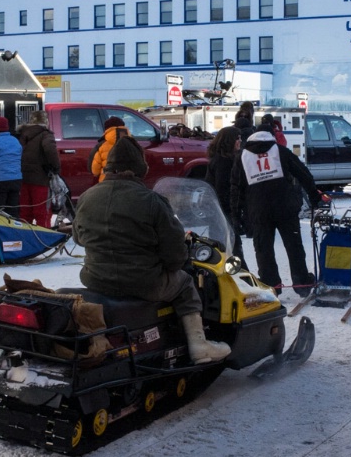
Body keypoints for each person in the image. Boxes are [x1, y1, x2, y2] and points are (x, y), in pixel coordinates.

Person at [73, 136, 231, 365]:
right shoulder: (152, 201)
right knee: (186, 283)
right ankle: (199, 345)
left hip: (96, 279)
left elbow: (78, 238)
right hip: (143, 283)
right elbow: (176, 254)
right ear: (140, 168)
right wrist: (173, 265)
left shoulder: (87, 197)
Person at [230, 130, 321, 297]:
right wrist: (314, 196)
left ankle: (272, 285)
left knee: (263, 249)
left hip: (258, 211)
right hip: (285, 208)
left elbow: (236, 189)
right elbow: (303, 173)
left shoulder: (242, 157)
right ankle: (302, 283)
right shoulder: (280, 150)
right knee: (294, 246)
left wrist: (237, 215)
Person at [205, 126, 249, 268]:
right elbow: (223, 189)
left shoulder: (221, 159)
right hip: (223, 213)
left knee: (227, 250)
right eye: (238, 138)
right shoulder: (224, 162)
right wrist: (234, 211)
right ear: (229, 141)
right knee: (233, 250)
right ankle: (242, 279)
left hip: (218, 211)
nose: (240, 141)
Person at [18, 110, 60, 227]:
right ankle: (43, 240)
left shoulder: (23, 135)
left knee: (25, 213)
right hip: (41, 179)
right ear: (45, 121)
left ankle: (26, 238)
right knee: (42, 212)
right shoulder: (45, 134)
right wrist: (56, 168)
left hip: (24, 178)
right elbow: (50, 150)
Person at [91, 116, 129, 182]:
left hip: (106, 181)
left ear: (107, 129)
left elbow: (95, 169)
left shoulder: (102, 145)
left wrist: (96, 175)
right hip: (127, 182)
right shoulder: (132, 143)